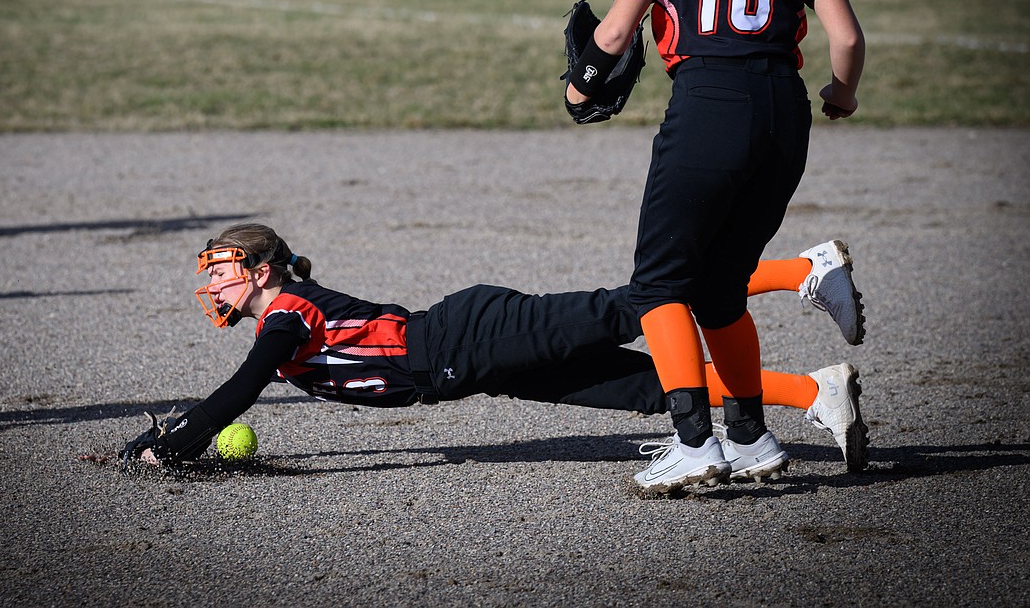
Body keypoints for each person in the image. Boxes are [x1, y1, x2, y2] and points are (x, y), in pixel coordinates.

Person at [563, 0, 866, 491]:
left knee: (659, 285)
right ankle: (752, 436)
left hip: (708, 104)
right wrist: (841, 96)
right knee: (720, 285)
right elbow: (845, 39)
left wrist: (580, 92)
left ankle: (695, 442)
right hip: (784, 113)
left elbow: (612, 37)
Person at [123, 222, 868, 479]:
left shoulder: (284, 314)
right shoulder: (279, 317)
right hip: (475, 369)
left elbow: (247, 386)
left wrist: (176, 442)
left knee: (632, 305)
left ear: (257, 272)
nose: (212, 284)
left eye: (219, 271)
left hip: (468, 339)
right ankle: (813, 394)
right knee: (650, 390)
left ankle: (802, 270)